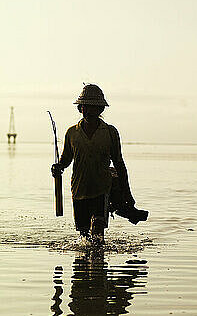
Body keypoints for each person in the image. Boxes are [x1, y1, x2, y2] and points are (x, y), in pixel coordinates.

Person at [51, 84, 135, 242]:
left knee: (97, 230)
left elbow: (119, 164)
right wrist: (58, 167)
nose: (89, 111)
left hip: (101, 190)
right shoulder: (71, 133)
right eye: (86, 107)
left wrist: (128, 195)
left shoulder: (110, 132)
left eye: (94, 107)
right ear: (80, 108)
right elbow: (66, 159)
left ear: (101, 109)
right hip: (78, 190)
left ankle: (98, 264)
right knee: (84, 238)